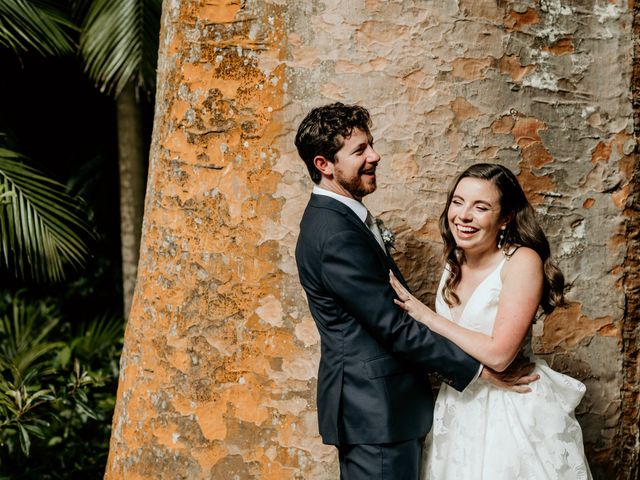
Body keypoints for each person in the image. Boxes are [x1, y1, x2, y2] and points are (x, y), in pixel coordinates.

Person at [294, 104, 536, 480]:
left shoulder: (343, 219)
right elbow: (392, 326)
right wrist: (479, 372)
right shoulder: (335, 233)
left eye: (370, 145)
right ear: (324, 164)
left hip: (389, 411)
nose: (375, 156)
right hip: (376, 411)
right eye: (360, 151)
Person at [389, 163, 592, 479]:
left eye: (480, 207)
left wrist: (425, 316)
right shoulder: (454, 261)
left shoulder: (522, 260)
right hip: (457, 405)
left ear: (506, 218)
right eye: (458, 202)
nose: (463, 216)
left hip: (512, 408)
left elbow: (500, 355)